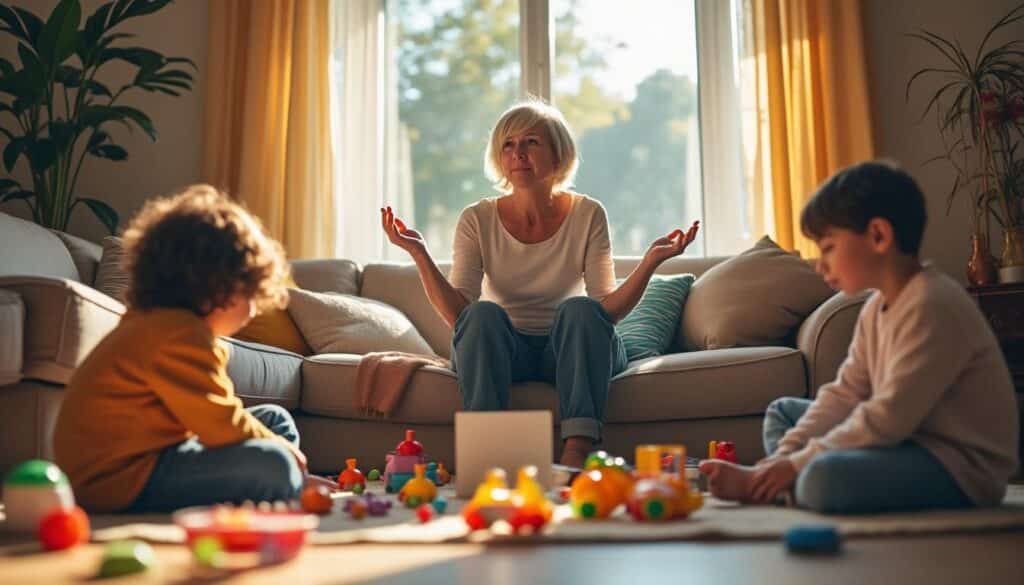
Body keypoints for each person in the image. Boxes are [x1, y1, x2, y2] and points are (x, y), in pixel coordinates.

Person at [381, 101, 699, 468]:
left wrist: (650, 262)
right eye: (508, 144)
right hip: (507, 351)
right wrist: (419, 253)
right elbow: (460, 318)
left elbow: (605, 312)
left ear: (558, 154)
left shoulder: (588, 213)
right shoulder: (476, 219)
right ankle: (486, 453)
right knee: (481, 314)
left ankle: (577, 450)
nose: (517, 153)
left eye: (531, 142)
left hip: (571, 349)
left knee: (581, 309)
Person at [699, 161, 1019, 513]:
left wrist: (796, 463)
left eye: (828, 247)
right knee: (783, 413)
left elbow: (887, 418)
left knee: (822, 478)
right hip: (903, 440)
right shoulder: (875, 308)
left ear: (878, 236)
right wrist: (782, 460)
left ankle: (784, 485)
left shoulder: (932, 304)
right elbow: (847, 393)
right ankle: (774, 482)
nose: (820, 265)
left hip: (956, 466)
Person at [54, 185, 335, 513]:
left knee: (275, 419)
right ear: (220, 289)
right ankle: (286, 483)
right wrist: (289, 457)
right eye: (251, 294)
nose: (255, 309)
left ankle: (284, 483)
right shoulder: (178, 336)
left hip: (152, 453)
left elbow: (209, 421)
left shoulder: (156, 322)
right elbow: (220, 424)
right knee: (275, 462)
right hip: (119, 479)